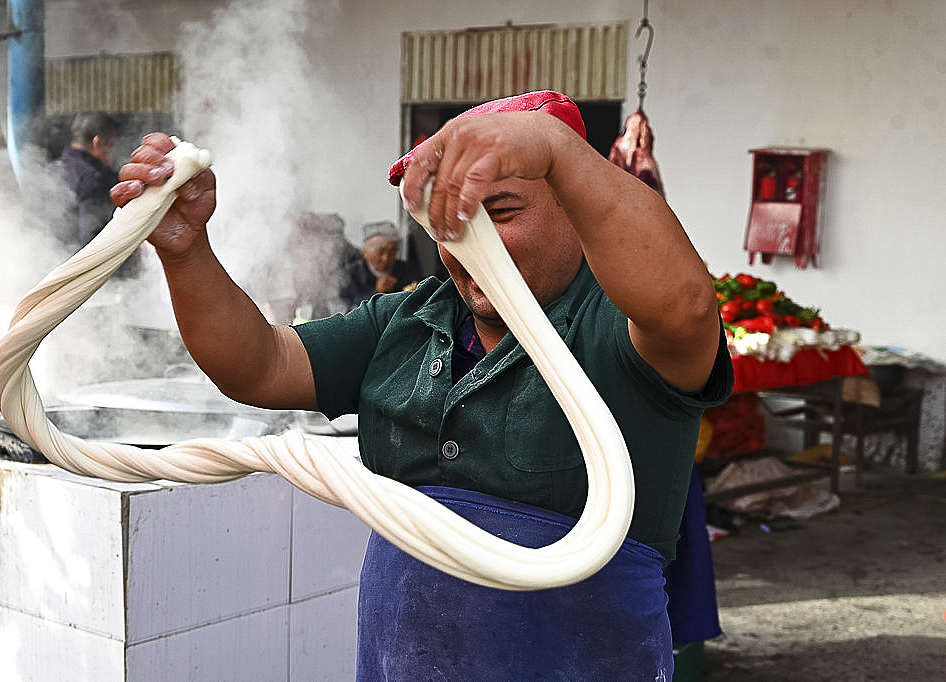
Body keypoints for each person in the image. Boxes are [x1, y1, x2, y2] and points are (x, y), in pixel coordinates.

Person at [112, 90, 733, 679]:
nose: (470, 247)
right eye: (450, 223)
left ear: (576, 212)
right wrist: (186, 250)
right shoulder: (409, 320)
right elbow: (261, 366)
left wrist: (554, 146)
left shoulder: (619, 327)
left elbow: (686, 308)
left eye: (503, 213)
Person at [46, 111, 124, 253]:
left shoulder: (51, 170)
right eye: (111, 145)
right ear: (98, 143)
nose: (113, 153)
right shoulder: (93, 178)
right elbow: (92, 237)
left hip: (49, 260)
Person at [339, 220, 421, 307]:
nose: (385, 258)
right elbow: (346, 314)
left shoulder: (407, 270)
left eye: (392, 251)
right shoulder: (348, 276)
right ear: (365, 252)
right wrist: (376, 292)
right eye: (380, 252)